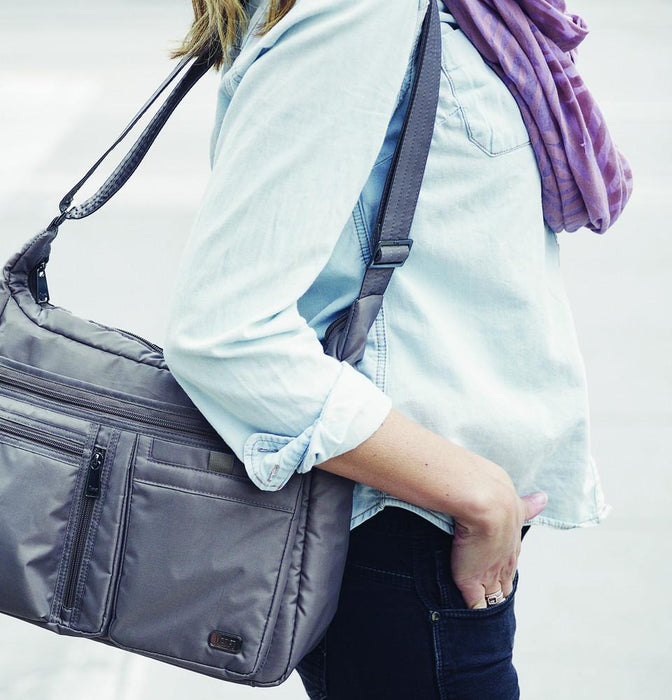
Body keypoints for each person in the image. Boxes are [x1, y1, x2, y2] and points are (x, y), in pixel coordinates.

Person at [164, 0, 623, 697]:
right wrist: (476, 492)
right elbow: (225, 330)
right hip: (406, 530)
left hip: (427, 529)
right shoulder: (365, 10)